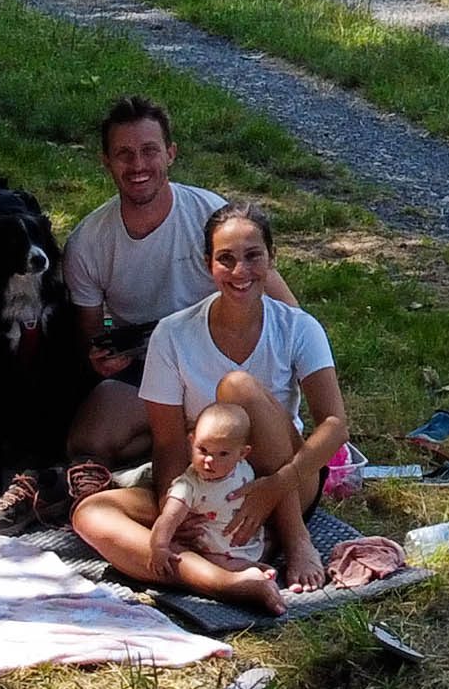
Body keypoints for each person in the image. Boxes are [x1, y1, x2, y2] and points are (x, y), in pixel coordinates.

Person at [0, 96, 292, 531]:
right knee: (87, 438)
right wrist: (103, 355)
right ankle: (96, 483)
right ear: (106, 162)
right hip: (149, 371)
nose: (137, 165)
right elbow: (91, 338)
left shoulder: (210, 215)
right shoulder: (89, 241)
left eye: (149, 151)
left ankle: (135, 478)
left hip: (224, 365)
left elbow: (285, 308)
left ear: (171, 154)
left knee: (230, 428)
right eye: (124, 154)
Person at [68, 201, 351, 591]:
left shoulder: (298, 328)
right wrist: (176, 513)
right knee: (90, 514)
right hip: (203, 483)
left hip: (285, 482)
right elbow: (167, 441)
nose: (240, 272)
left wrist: (276, 484)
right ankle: (219, 579)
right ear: (208, 265)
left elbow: (335, 426)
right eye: (226, 259)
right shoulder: (173, 333)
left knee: (236, 388)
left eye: (253, 257)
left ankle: (292, 538)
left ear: (271, 259)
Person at [138, 403, 285, 613]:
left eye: (222, 454)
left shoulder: (242, 468)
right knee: (217, 563)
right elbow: (168, 517)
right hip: (218, 551)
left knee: (272, 537)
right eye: (203, 450)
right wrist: (159, 547)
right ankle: (248, 577)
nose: (209, 461)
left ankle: (258, 566)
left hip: (249, 541)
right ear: (191, 442)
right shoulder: (188, 486)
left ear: (243, 453)